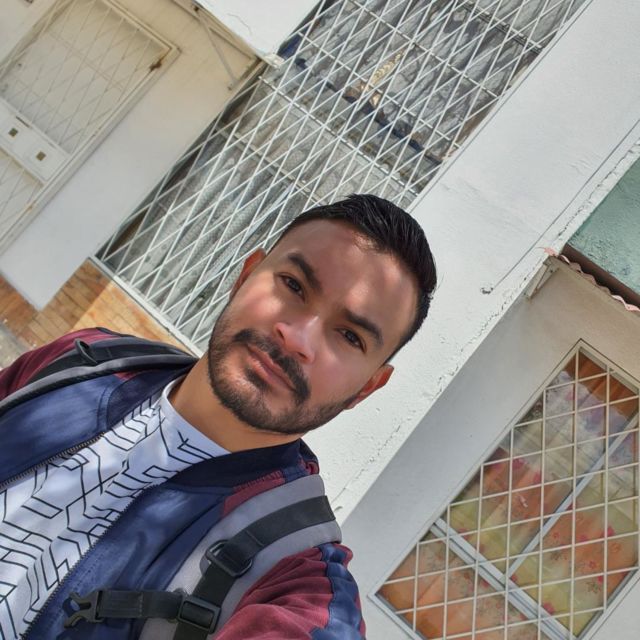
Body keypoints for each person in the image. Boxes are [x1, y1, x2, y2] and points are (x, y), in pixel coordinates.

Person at [0, 194, 437, 639]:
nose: (297, 338)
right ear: (245, 276)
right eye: (293, 286)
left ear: (366, 387)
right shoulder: (86, 362)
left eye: (349, 335)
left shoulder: (293, 580)